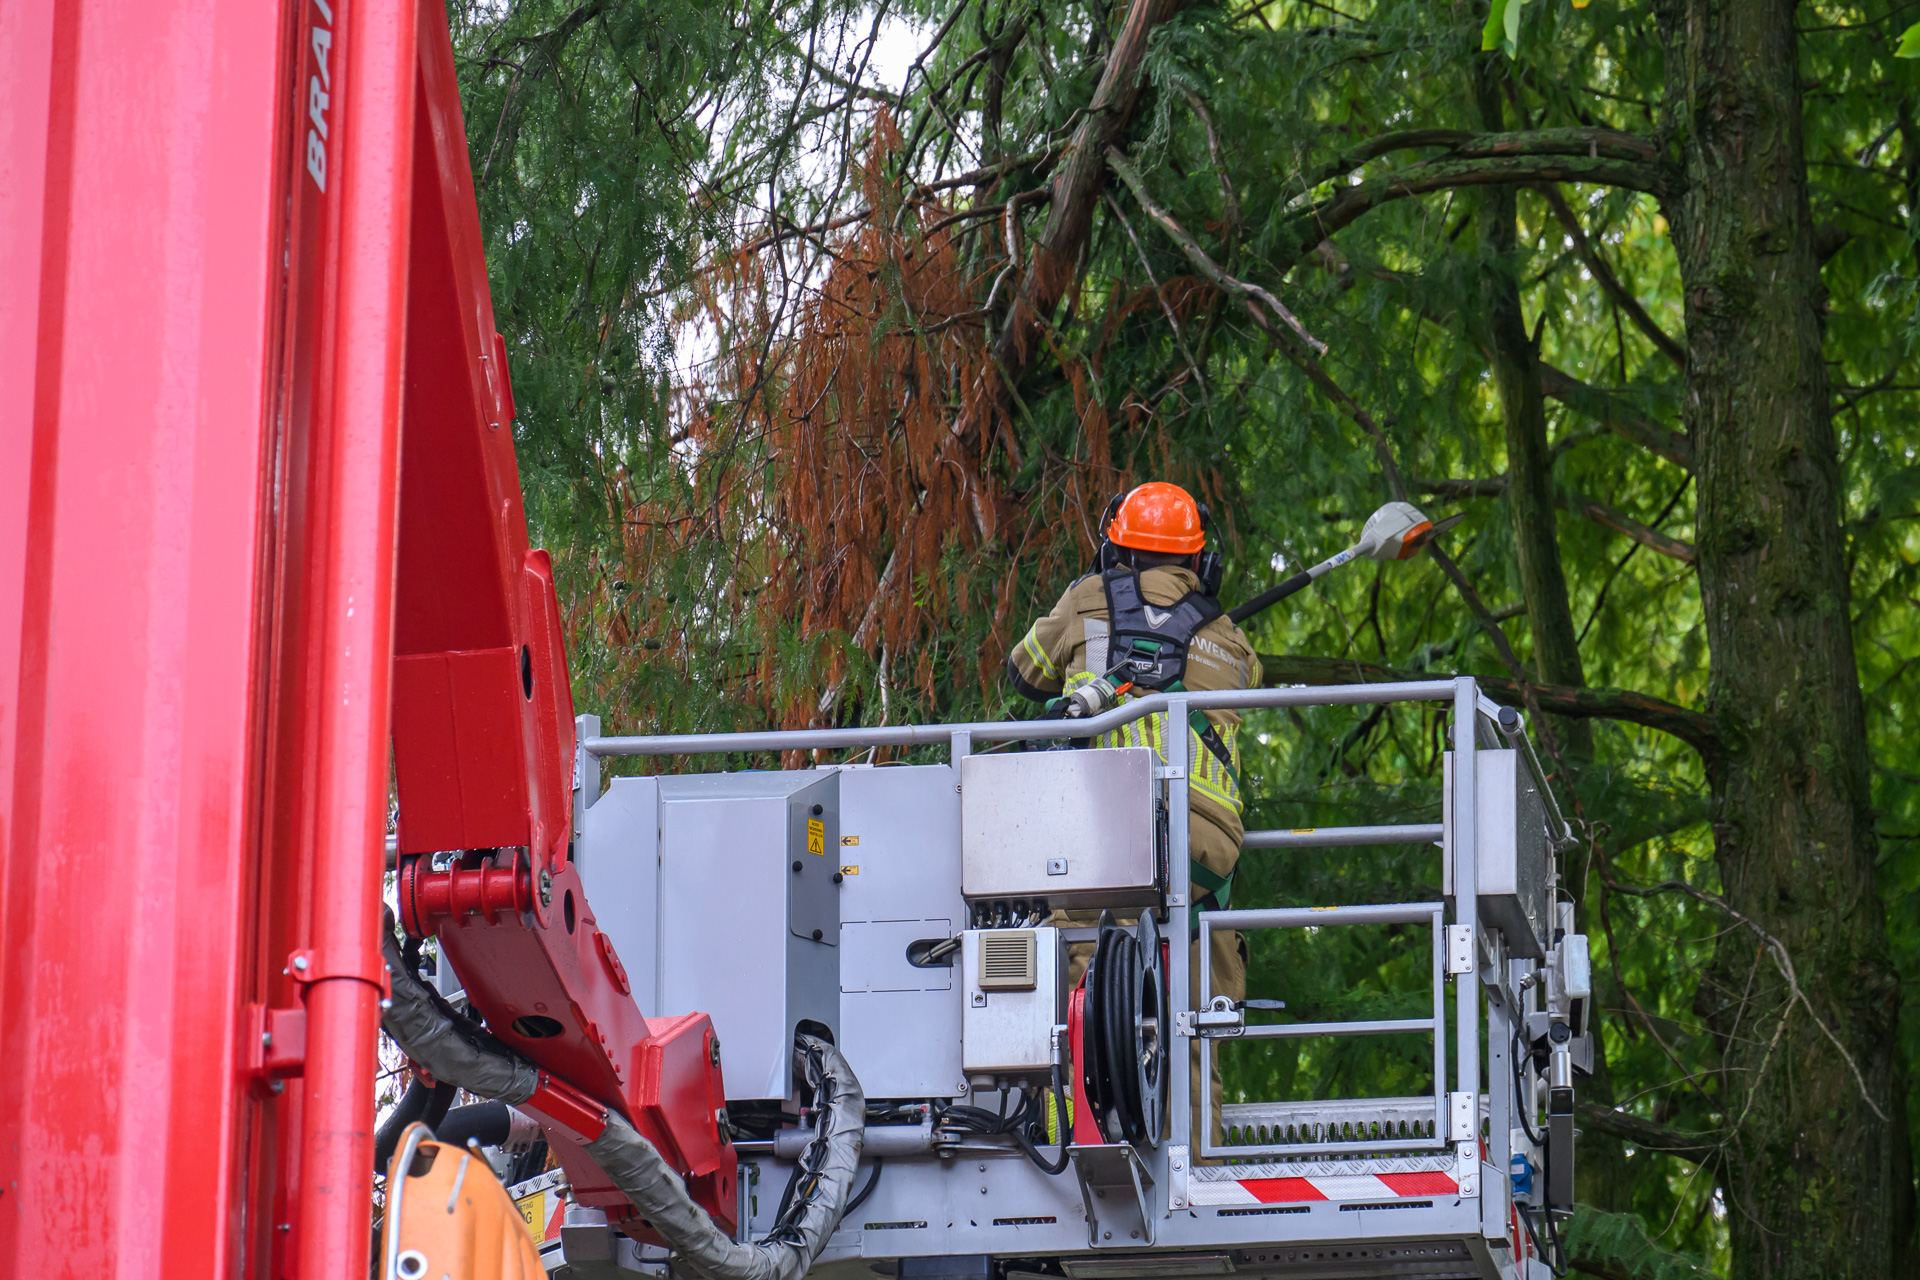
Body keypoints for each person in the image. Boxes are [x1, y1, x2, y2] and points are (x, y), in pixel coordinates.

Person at [1004, 481, 1261, 1145]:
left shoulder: (1088, 599)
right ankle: (1193, 1163)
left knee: (1077, 992)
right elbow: (1245, 694)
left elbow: (1024, 671)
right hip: (1204, 843)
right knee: (1191, 1018)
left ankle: (1073, 1135)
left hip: (1105, 829)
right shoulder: (1230, 640)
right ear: (1201, 561)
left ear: (1114, 548)